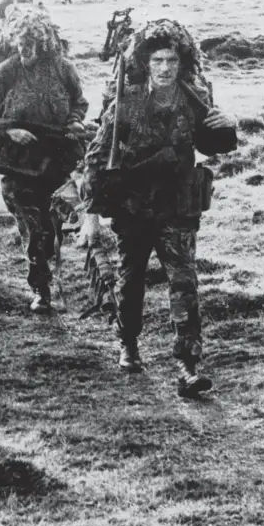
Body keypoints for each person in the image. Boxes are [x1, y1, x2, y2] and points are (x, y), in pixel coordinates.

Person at [82, 20, 237, 397]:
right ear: (145, 63)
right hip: (132, 208)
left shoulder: (194, 97)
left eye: (171, 60)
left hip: (176, 207)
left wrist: (229, 124)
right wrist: (90, 213)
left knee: (183, 283)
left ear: (181, 62)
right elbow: (96, 158)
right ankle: (128, 343)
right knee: (130, 280)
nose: (165, 67)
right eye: (157, 61)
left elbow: (213, 143)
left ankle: (187, 365)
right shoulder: (127, 101)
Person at [0, 5, 88, 312]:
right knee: (35, 229)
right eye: (22, 42)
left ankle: (47, 278)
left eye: (33, 43)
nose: (27, 48)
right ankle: (41, 288)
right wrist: (10, 130)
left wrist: (76, 121)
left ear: (45, 41)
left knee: (51, 229)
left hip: (58, 161)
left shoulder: (62, 68)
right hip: (18, 166)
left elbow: (79, 102)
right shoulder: (3, 73)